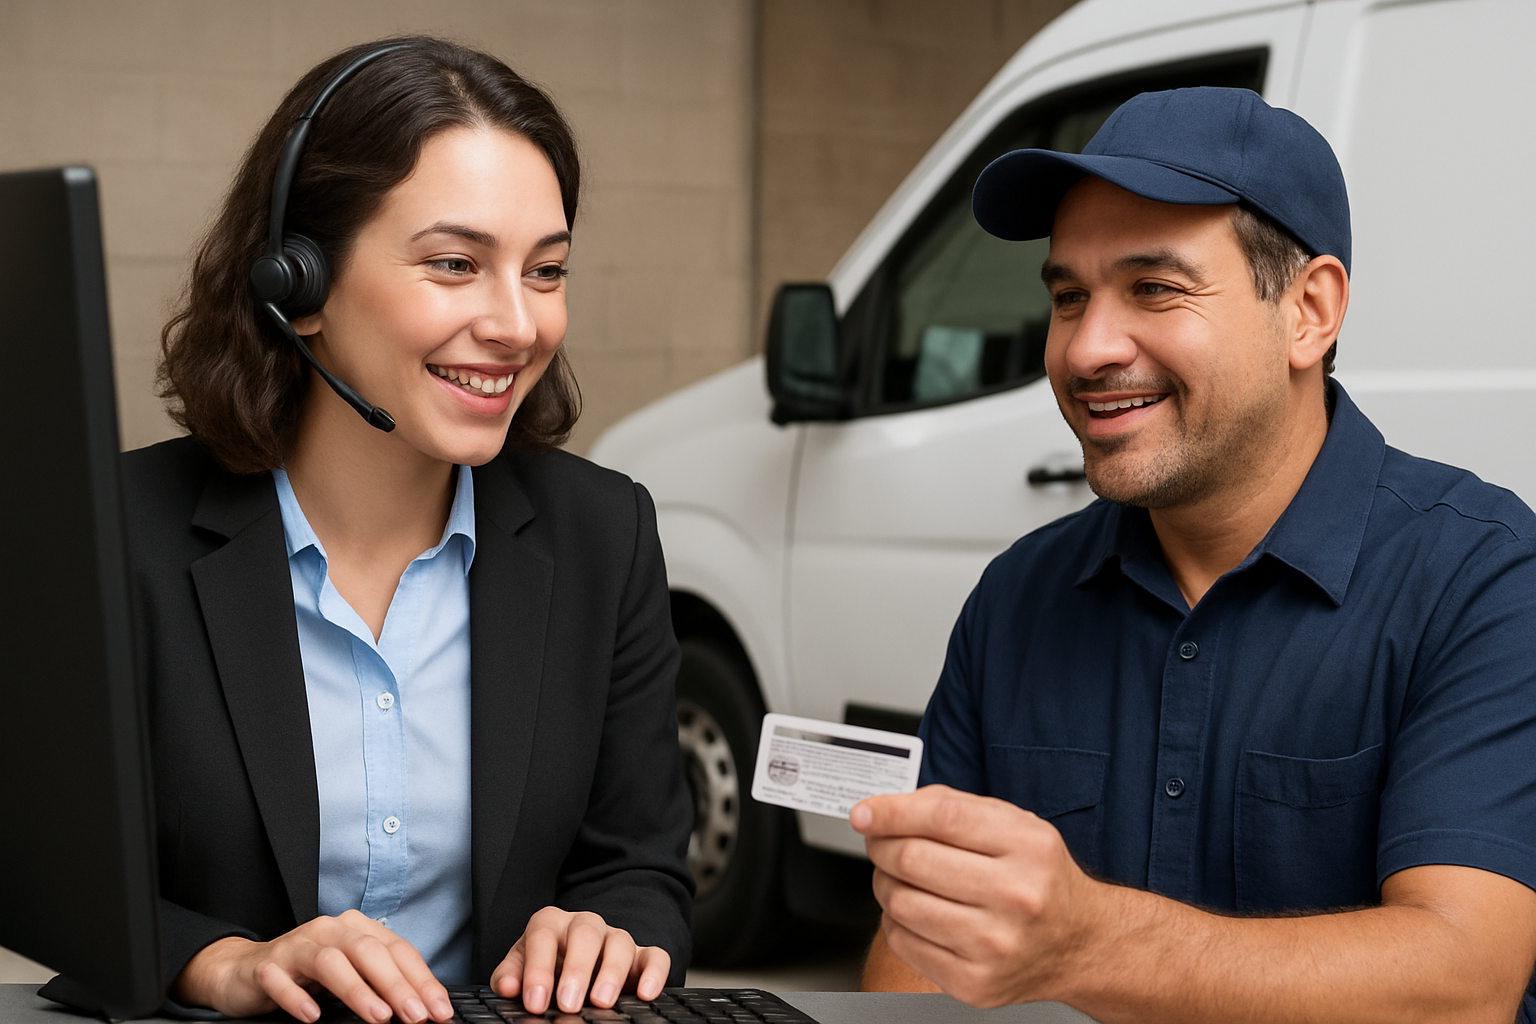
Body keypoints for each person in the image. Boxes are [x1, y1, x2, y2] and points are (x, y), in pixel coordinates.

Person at [853, 87, 1536, 1022]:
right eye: (1067, 297)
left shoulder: (1482, 580)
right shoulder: (1018, 596)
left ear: (1310, 310)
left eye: (1154, 289)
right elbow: (914, 963)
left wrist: (1088, 942)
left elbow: (1463, 987)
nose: (1087, 348)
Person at [121, 37, 692, 1024]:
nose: (518, 324)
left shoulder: (608, 536)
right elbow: (61, 872)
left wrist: (608, 926)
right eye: (456, 264)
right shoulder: (122, 536)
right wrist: (218, 963)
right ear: (297, 285)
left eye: (546, 271)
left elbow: (640, 867)